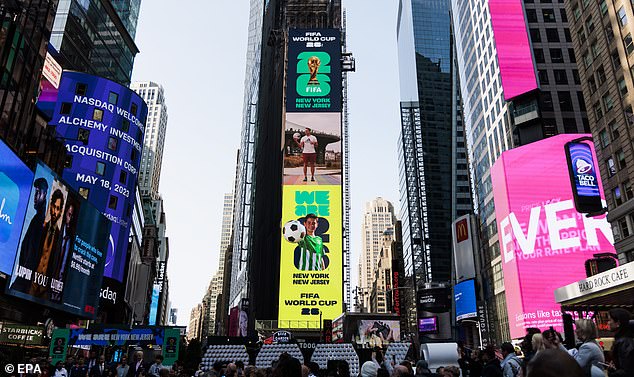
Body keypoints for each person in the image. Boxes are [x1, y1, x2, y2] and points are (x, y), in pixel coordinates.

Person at [12, 178, 48, 292]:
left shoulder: (40, 220)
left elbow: (32, 255)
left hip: (24, 282)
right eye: (35, 192)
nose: (35, 196)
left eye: (38, 192)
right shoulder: (37, 218)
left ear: (45, 194)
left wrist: (21, 280)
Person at [30, 188, 64, 298]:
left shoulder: (60, 237)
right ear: (50, 206)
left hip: (45, 290)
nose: (54, 212)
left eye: (58, 208)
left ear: (61, 211)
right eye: (54, 206)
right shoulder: (42, 227)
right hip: (32, 282)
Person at [50, 200, 77, 301]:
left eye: (73, 215)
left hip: (60, 292)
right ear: (65, 214)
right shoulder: (58, 231)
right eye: (69, 214)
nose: (71, 217)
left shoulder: (72, 237)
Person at [607, 308, 634, 377]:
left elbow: (626, 371)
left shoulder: (624, 343)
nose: (608, 322)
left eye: (610, 320)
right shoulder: (625, 340)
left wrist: (611, 372)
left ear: (618, 323)